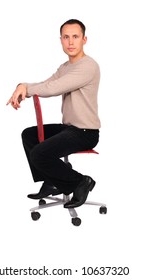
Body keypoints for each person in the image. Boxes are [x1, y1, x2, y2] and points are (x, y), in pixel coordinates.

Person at [6, 19, 101, 208]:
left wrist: (26, 88)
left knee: (39, 154)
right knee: (29, 135)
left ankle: (81, 182)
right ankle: (52, 181)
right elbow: (46, 83)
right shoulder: (65, 67)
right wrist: (22, 86)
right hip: (69, 128)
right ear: (61, 41)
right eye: (66, 37)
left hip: (85, 132)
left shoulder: (88, 66)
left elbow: (53, 88)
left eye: (75, 37)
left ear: (85, 39)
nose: (71, 42)